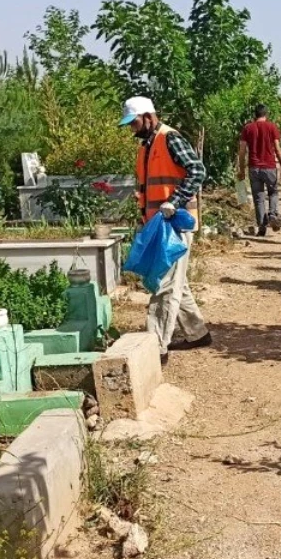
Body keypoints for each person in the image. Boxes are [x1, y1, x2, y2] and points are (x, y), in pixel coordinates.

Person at [121, 96, 212, 365]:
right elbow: (147, 189)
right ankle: (197, 334)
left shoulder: (169, 138)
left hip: (176, 223)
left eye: (134, 122)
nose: (132, 129)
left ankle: (156, 347)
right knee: (176, 283)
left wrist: (175, 200)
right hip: (159, 225)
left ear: (148, 116)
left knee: (164, 285)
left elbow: (197, 170)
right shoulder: (146, 146)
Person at [238, 104, 281, 237]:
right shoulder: (272, 127)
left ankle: (262, 226)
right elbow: (278, 149)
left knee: (258, 197)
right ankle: (272, 214)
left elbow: (242, 151)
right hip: (269, 166)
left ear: (254, 115)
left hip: (254, 167)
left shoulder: (247, 128)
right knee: (273, 192)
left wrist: (241, 169)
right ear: (266, 114)